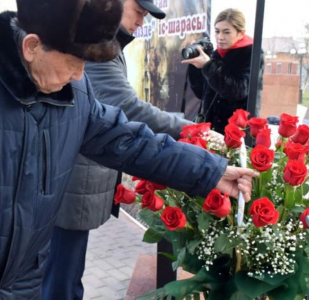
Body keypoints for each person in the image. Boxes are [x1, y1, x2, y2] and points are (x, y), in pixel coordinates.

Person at [0, 0, 257, 298]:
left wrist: (211, 170)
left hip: (21, 285)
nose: (79, 76)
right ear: (31, 46)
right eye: (74, 63)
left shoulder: (75, 92)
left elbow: (130, 141)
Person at [41, 1, 193, 299]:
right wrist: (185, 127)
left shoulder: (107, 45)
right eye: (139, 12)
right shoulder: (97, 46)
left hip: (77, 176)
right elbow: (125, 107)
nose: (141, 22)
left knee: (66, 270)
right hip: (73, 180)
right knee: (61, 273)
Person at [182, 8, 264, 134]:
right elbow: (201, 93)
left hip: (238, 132)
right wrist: (196, 66)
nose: (220, 37)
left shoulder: (252, 54)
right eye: (217, 31)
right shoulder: (216, 54)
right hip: (212, 131)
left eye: (226, 32)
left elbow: (239, 91)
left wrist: (208, 66)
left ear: (241, 33)